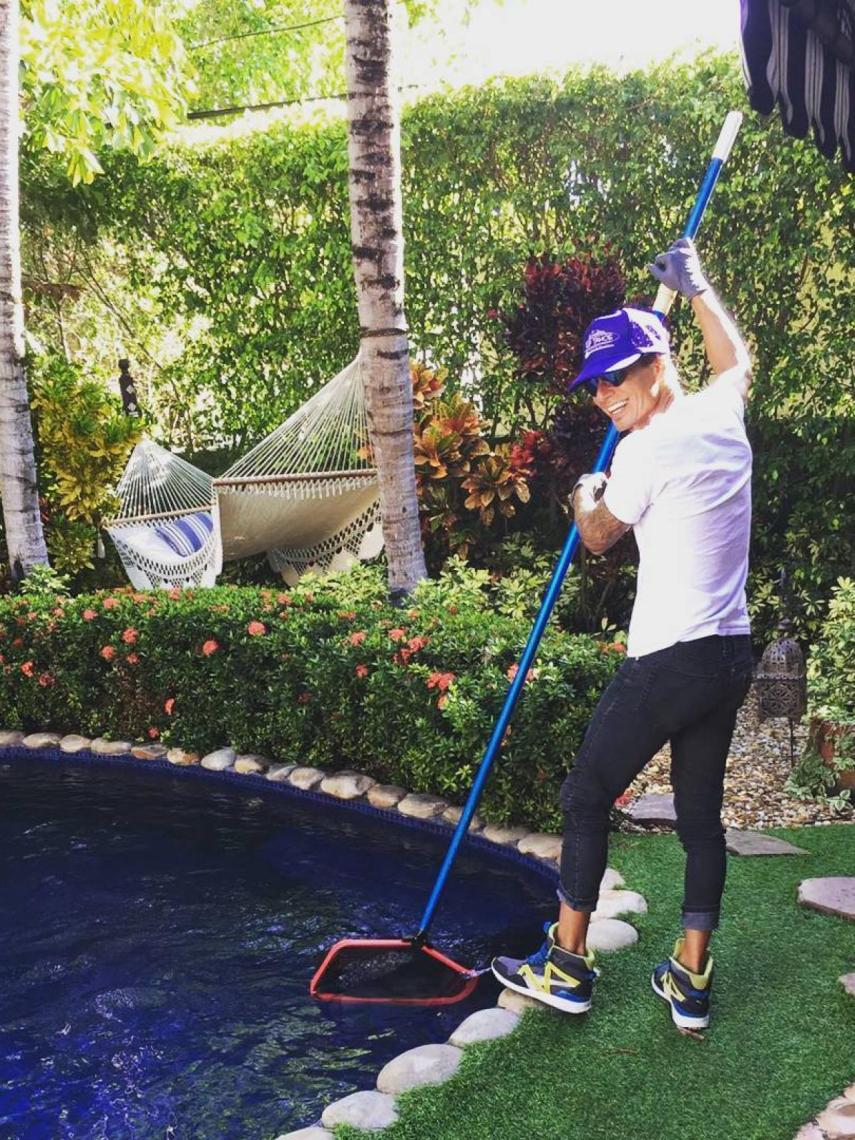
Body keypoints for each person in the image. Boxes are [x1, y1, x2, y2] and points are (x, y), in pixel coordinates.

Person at [492, 238, 755, 1031]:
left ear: (652, 366)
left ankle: (566, 967)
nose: (603, 395)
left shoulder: (644, 450)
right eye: (593, 385)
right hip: (727, 654)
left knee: (581, 796)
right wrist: (699, 287)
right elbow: (732, 357)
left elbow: (600, 536)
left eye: (614, 378)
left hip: (668, 661)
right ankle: (689, 976)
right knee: (700, 818)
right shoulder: (720, 413)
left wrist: (583, 489)